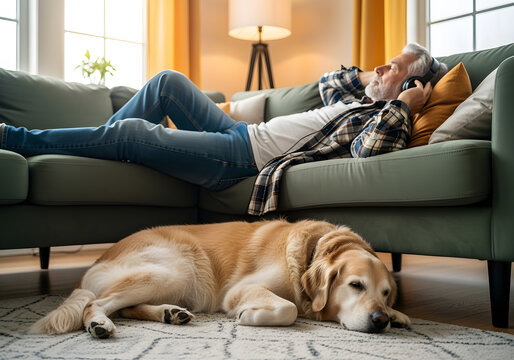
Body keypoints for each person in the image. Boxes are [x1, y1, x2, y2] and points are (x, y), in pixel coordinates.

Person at [0, 43, 448, 215]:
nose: (378, 67)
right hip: (237, 132)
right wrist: (375, 82)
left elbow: (370, 154)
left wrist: (403, 104)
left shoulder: (379, 120)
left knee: (134, 132)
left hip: (241, 161)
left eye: (392, 67)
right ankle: (106, 148)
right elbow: (329, 81)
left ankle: (15, 139)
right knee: (166, 82)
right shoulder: (355, 101)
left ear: (410, 85)